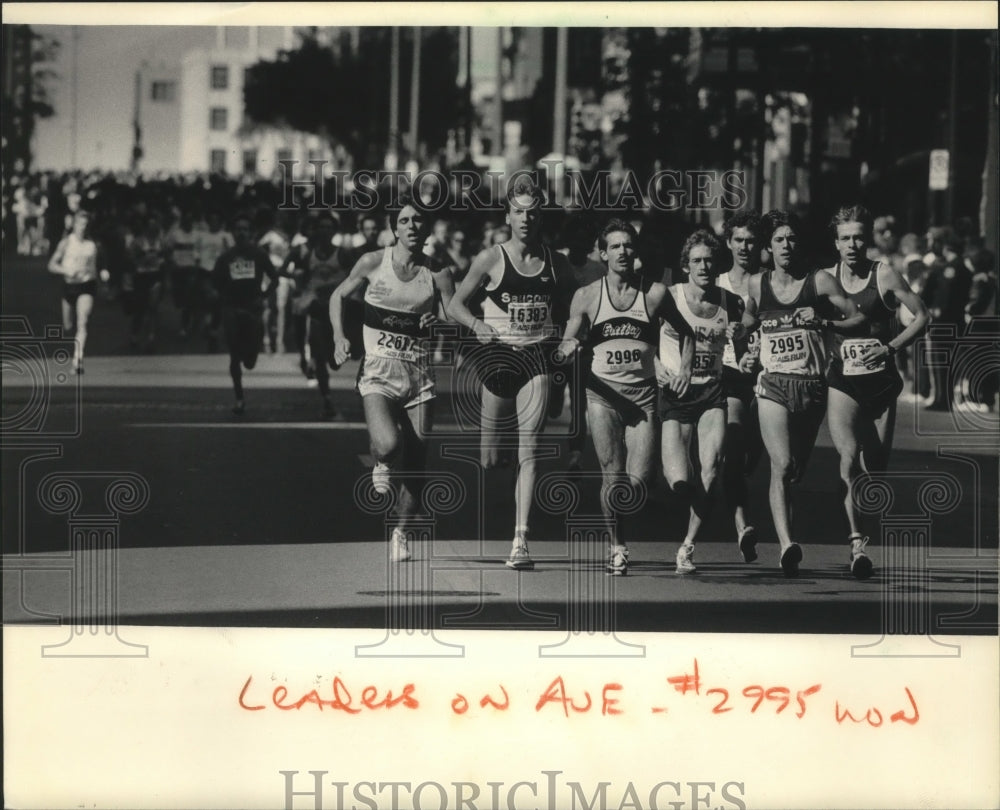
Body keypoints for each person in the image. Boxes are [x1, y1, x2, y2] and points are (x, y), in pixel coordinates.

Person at [447, 177, 575, 570]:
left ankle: (520, 540)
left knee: (530, 451)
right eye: (518, 211)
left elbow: (573, 311)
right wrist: (476, 325)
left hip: (535, 357)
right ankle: (492, 450)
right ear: (509, 216)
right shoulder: (490, 258)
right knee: (489, 459)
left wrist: (565, 350)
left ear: (541, 216)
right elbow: (454, 304)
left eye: (532, 212)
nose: (526, 218)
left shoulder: (556, 263)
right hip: (497, 359)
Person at [557, 219, 694, 575]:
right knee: (612, 475)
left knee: (639, 482)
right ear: (602, 253)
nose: (622, 252)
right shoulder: (587, 295)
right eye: (615, 246)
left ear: (636, 251)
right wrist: (568, 345)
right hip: (602, 395)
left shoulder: (654, 294)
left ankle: (621, 528)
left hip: (643, 397)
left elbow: (686, 331)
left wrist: (685, 371)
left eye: (628, 245)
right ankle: (617, 546)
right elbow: (570, 333)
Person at [330, 193, 454, 562]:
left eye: (419, 221)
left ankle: (401, 533)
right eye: (404, 220)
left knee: (417, 462)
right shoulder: (372, 262)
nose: (412, 226)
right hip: (378, 374)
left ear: (428, 228)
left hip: (419, 378)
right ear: (394, 228)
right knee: (387, 445)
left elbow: (453, 318)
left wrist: (440, 321)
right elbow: (338, 295)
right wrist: (340, 336)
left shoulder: (438, 273)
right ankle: (382, 461)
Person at [742, 210, 864, 577]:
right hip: (773, 384)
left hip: (812, 387)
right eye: (778, 240)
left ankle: (789, 536)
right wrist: (745, 345)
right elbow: (747, 323)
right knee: (780, 465)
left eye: (792, 239)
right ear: (768, 247)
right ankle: (786, 544)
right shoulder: (755, 284)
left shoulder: (820, 281)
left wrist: (825, 322)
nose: (785, 245)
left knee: (795, 470)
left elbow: (859, 318)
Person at [823, 205, 930, 579]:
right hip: (844, 382)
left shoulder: (883, 274)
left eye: (858, 237)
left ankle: (860, 531)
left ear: (867, 240)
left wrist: (892, 346)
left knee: (875, 470)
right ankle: (857, 543)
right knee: (848, 457)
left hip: (882, 384)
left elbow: (923, 315)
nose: (852, 244)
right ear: (835, 243)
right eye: (845, 238)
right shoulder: (825, 278)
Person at [659, 230, 747, 574]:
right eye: (696, 260)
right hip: (676, 394)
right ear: (686, 266)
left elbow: (741, 351)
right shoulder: (669, 297)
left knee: (711, 468)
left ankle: (688, 545)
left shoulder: (730, 302)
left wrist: (746, 354)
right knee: (679, 480)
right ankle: (686, 486)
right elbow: (644, 341)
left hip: (712, 392)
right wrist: (659, 372)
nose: (704, 266)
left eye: (709, 260)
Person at [718, 211, 765, 562]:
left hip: (768, 378)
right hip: (730, 378)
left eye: (751, 240)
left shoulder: (770, 283)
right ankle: (741, 525)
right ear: (728, 242)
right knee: (733, 453)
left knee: (755, 457)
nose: (745, 246)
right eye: (739, 240)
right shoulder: (716, 284)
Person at [552, 212, 608, 471]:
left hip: (584, 346)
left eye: (585, 237)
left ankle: (575, 454)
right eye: (575, 235)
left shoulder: (598, 270)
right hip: (553, 344)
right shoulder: (556, 263)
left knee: (578, 403)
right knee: (552, 406)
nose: (579, 241)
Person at [211, 213, 277, 415]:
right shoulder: (225, 257)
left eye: (245, 229)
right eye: (237, 229)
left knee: (249, 362)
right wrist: (223, 298)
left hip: (253, 308)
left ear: (251, 233)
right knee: (234, 354)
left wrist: (263, 296)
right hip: (232, 308)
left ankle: (250, 353)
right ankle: (239, 398)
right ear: (232, 232)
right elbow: (216, 283)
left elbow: (275, 279)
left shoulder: (259, 254)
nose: (241, 232)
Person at [291, 213, 353, 419]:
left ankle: (328, 358)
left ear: (334, 231)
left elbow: (357, 278)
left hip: (338, 311)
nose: (325, 230)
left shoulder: (343, 254)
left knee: (334, 361)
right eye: (321, 227)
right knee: (319, 358)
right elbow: (299, 277)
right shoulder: (308, 254)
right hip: (316, 309)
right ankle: (326, 399)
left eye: (329, 227)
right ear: (316, 230)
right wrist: (302, 287)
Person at [47, 210, 106, 374]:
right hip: (69, 286)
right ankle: (75, 347)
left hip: (87, 285)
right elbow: (51, 265)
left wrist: (103, 272)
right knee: (68, 325)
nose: (83, 228)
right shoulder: (66, 243)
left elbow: (100, 262)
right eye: (80, 224)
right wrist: (65, 270)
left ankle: (77, 360)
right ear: (74, 225)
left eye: (86, 225)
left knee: (83, 321)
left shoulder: (93, 244)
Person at [165, 210, 199, 338]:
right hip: (178, 270)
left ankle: (185, 325)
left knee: (188, 298)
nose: (188, 223)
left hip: (191, 269)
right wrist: (171, 264)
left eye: (191, 220)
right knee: (179, 300)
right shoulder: (175, 234)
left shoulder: (197, 235)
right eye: (186, 220)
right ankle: (191, 317)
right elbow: (167, 250)